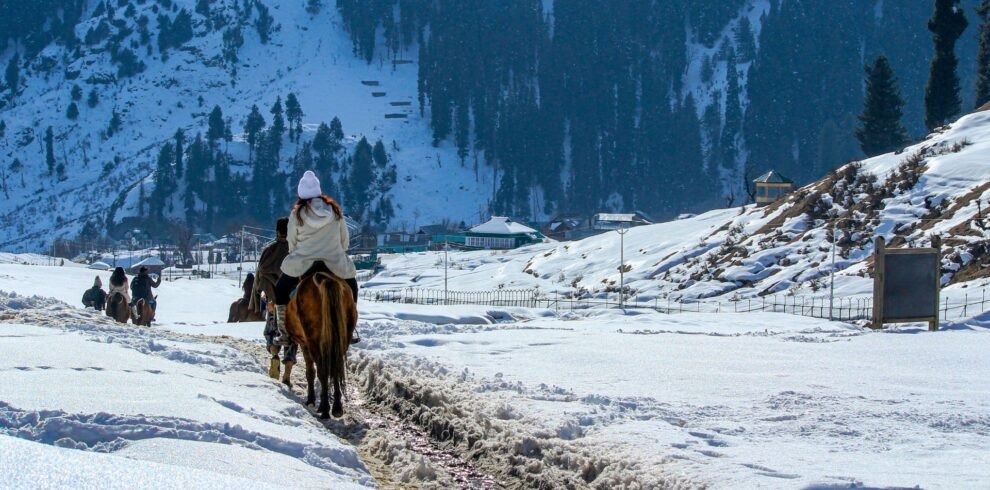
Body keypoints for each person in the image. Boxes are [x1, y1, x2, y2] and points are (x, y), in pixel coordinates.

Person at [273, 170, 359, 346]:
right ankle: (350, 328)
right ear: (319, 191)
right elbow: (345, 242)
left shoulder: (297, 214)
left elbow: (292, 243)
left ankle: (283, 332)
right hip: (334, 264)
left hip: (303, 264)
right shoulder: (335, 212)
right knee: (352, 288)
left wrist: (299, 252)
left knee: (280, 290)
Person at [250, 217, 290, 317]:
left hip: (272, 295)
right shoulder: (297, 248)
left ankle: (266, 314)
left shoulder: (270, 249)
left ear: (277, 232)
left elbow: (260, 272)